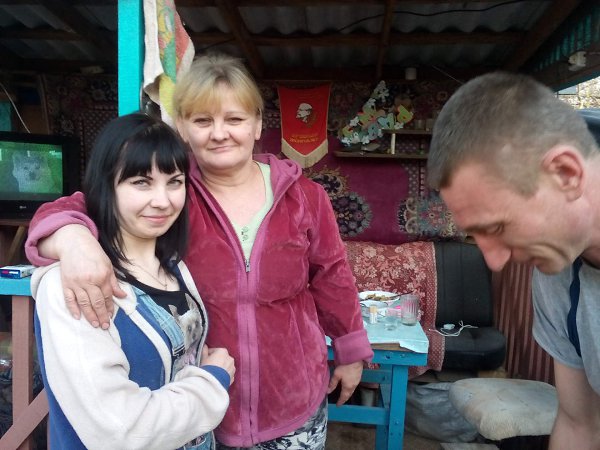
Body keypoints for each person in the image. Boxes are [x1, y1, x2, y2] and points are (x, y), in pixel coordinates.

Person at [25, 54, 373, 449]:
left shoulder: (303, 196)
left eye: (234, 119)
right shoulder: (171, 188)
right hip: (199, 410)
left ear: (258, 124)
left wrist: (349, 349)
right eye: (203, 120)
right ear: (183, 127)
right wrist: (72, 239)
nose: (219, 133)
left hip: (292, 395)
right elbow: (82, 203)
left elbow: (332, 274)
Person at [32, 113, 235, 449]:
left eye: (174, 182)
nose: (163, 201)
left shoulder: (174, 266)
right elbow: (120, 431)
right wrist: (211, 381)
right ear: (106, 185)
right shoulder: (74, 285)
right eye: (141, 182)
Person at [426, 72, 600, 449]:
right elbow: (580, 425)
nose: (494, 261)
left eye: (497, 226)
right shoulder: (556, 271)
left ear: (566, 173)